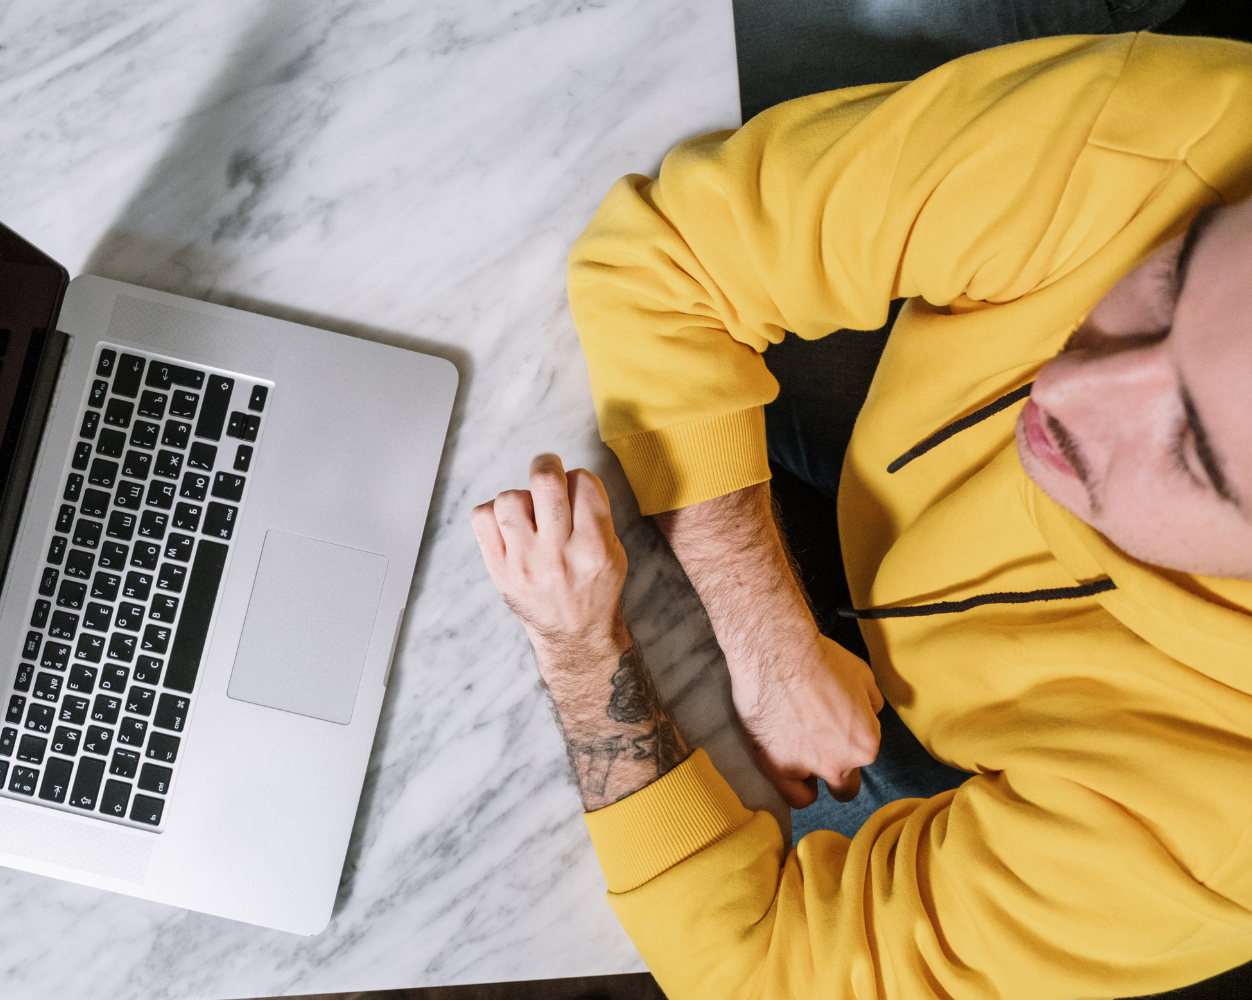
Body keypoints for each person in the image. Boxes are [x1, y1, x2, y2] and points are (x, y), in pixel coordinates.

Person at [473, 32, 1252, 1000]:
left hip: (950, 757)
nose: (1063, 387)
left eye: (1196, 454)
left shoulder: (1225, 843)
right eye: (1170, 280)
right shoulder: (1188, 131)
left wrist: (585, 658)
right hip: (878, 435)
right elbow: (671, 255)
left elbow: (763, 974)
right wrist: (769, 637)